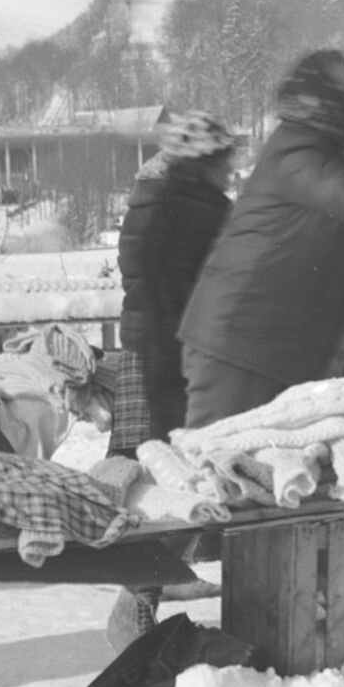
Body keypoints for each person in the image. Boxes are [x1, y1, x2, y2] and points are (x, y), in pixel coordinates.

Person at [177, 48, 344, 428]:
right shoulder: (297, 149)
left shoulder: (319, 150)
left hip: (270, 341)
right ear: (322, 97)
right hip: (241, 343)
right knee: (223, 462)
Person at [112, 110, 235, 454]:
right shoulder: (204, 210)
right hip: (195, 349)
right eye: (224, 161)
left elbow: (135, 267)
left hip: (157, 342)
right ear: (205, 163)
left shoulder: (164, 202)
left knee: (166, 440)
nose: (230, 170)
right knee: (200, 447)